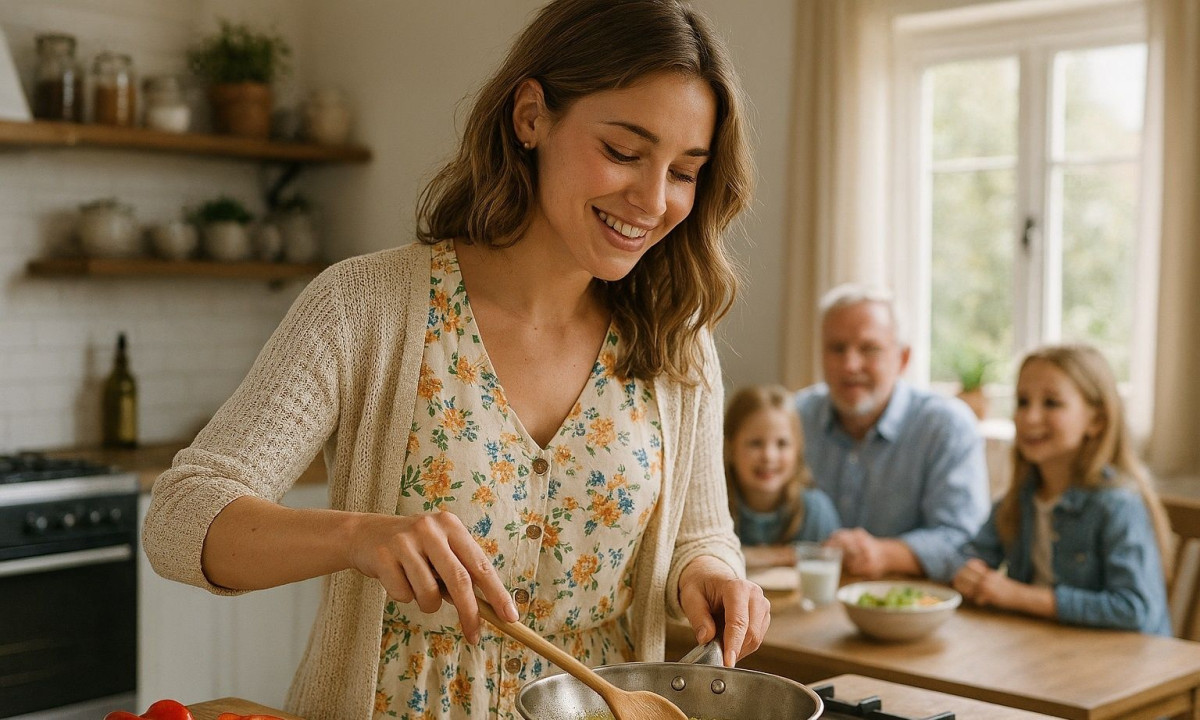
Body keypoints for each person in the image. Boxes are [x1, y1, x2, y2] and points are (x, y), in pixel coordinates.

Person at [141, 1, 770, 718]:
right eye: (625, 152)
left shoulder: (675, 338)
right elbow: (179, 519)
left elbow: (700, 532)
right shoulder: (363, 307)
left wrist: (712, 575)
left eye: (686, 171)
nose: (654, 200)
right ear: (531, 116)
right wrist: (359, 536)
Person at [952, 345, 1173, 635]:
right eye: (1022, 401)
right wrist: (969, 572)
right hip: (1044, 654)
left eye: (1052, 403)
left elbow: (1134, 608)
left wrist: (1018, 596)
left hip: (1126, 668)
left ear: (1096, 420)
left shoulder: (1118, 504)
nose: (1030, 417)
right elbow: (971, 554)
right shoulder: (1018, 499)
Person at [795, 283, 989, 582]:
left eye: (869, 348)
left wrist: (884, 554)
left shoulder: (946, 426)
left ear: (903, 358)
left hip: (913, 609)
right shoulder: (794, 417)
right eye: (837, 349)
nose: (850, 365)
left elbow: (966, 540)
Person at [724, 385, 840, 568]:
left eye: (782, 444)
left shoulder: (816, 512)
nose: (769, 456)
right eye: (755, 443)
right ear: (730, 448)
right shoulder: (715, 510)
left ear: (798, 450)